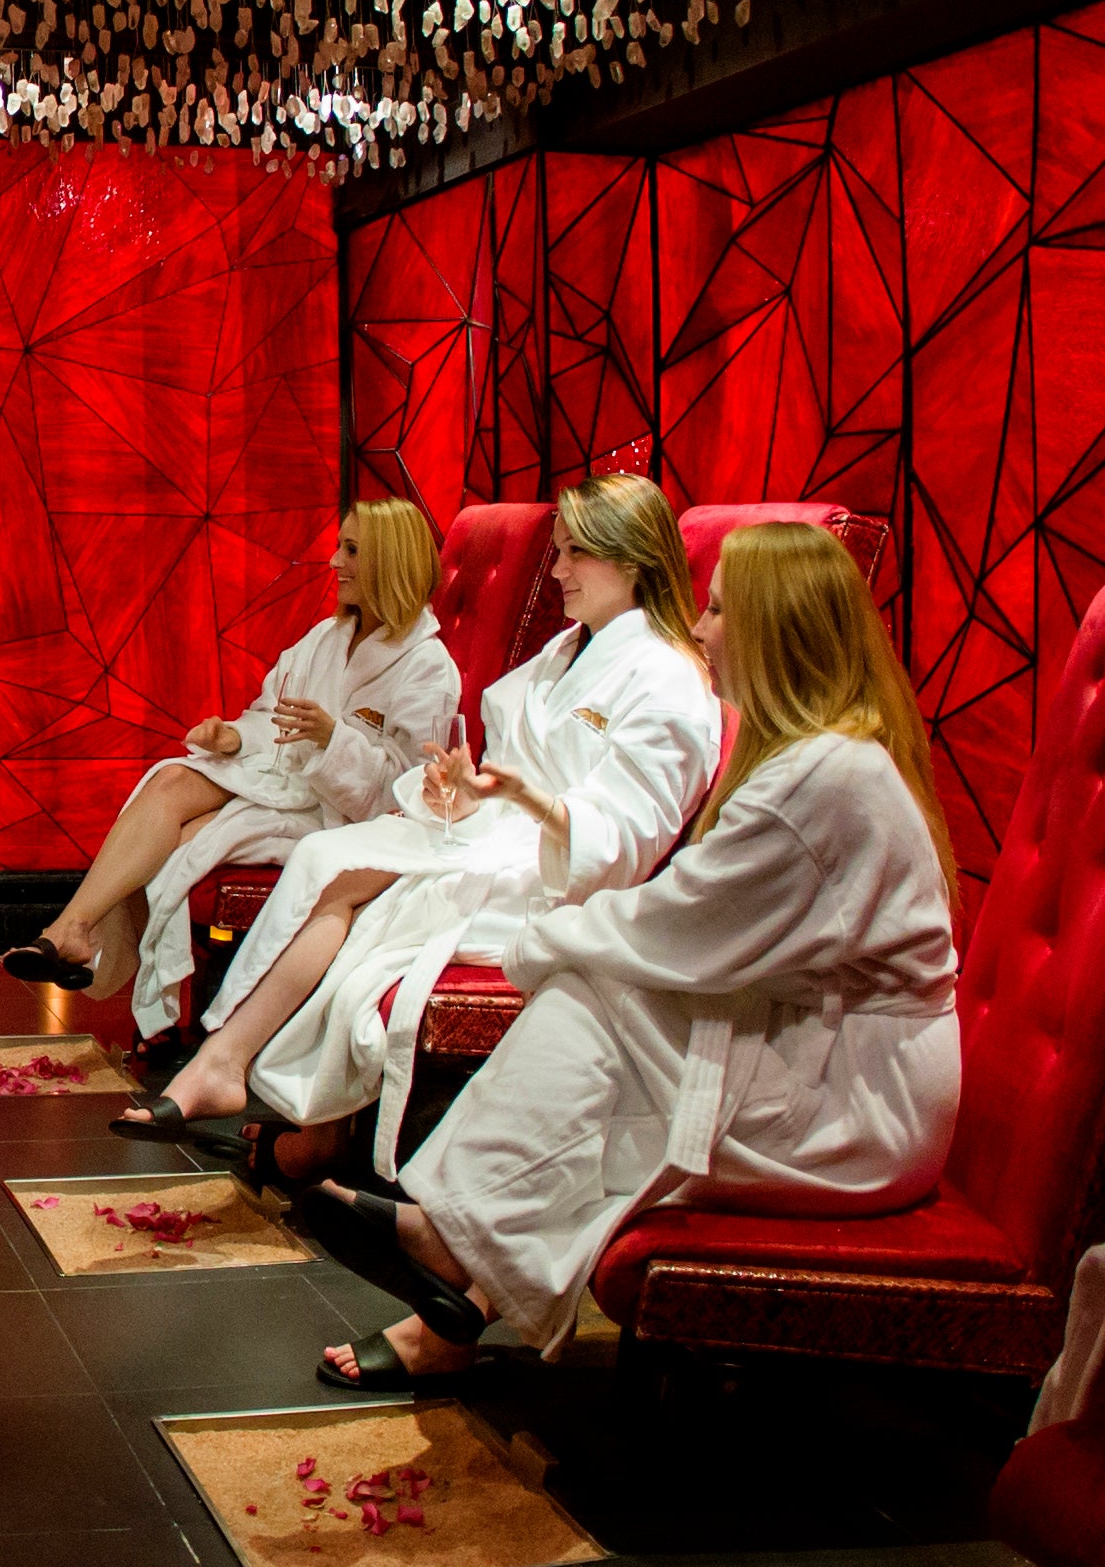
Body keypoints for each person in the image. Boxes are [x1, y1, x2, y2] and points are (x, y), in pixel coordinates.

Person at [303, 523, 962, 1392]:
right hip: (820, 1054)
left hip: (855, 1104)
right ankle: (459, 1276)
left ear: (773, 628)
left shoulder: (823, 779)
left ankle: (458, 1243)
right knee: (594, 1007)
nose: (699, 628)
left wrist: (541, 942)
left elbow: (678, 920)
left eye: (720, 609)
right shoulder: (815, 757)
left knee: (587, 992)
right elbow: (691, 917)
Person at [120, 474, 722, 1181]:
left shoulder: (665, 679)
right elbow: (501, 770)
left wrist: (521, 800)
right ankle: (242, 1073)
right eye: (554, 551)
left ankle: (247, 1076)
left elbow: (624, 841)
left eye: (572, 553)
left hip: (558, 876)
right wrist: (460, 795)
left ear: (631, 559)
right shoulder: (566, 651)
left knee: (349, 878)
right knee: (326, 856)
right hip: (496, 834)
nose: (554, 570)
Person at [3, 500, 460, 1051]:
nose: (335, 560)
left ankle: (90, 946)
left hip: (332, 816)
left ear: (390, 561)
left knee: (179, 841)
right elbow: (271, 716)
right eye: (341, 545)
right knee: (169, 779)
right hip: (281, 780)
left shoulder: (427, 668)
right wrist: (235, 738)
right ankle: (71, 931)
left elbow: (410, 792)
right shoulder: (325, 639)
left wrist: (332, 741)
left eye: (353, 550)